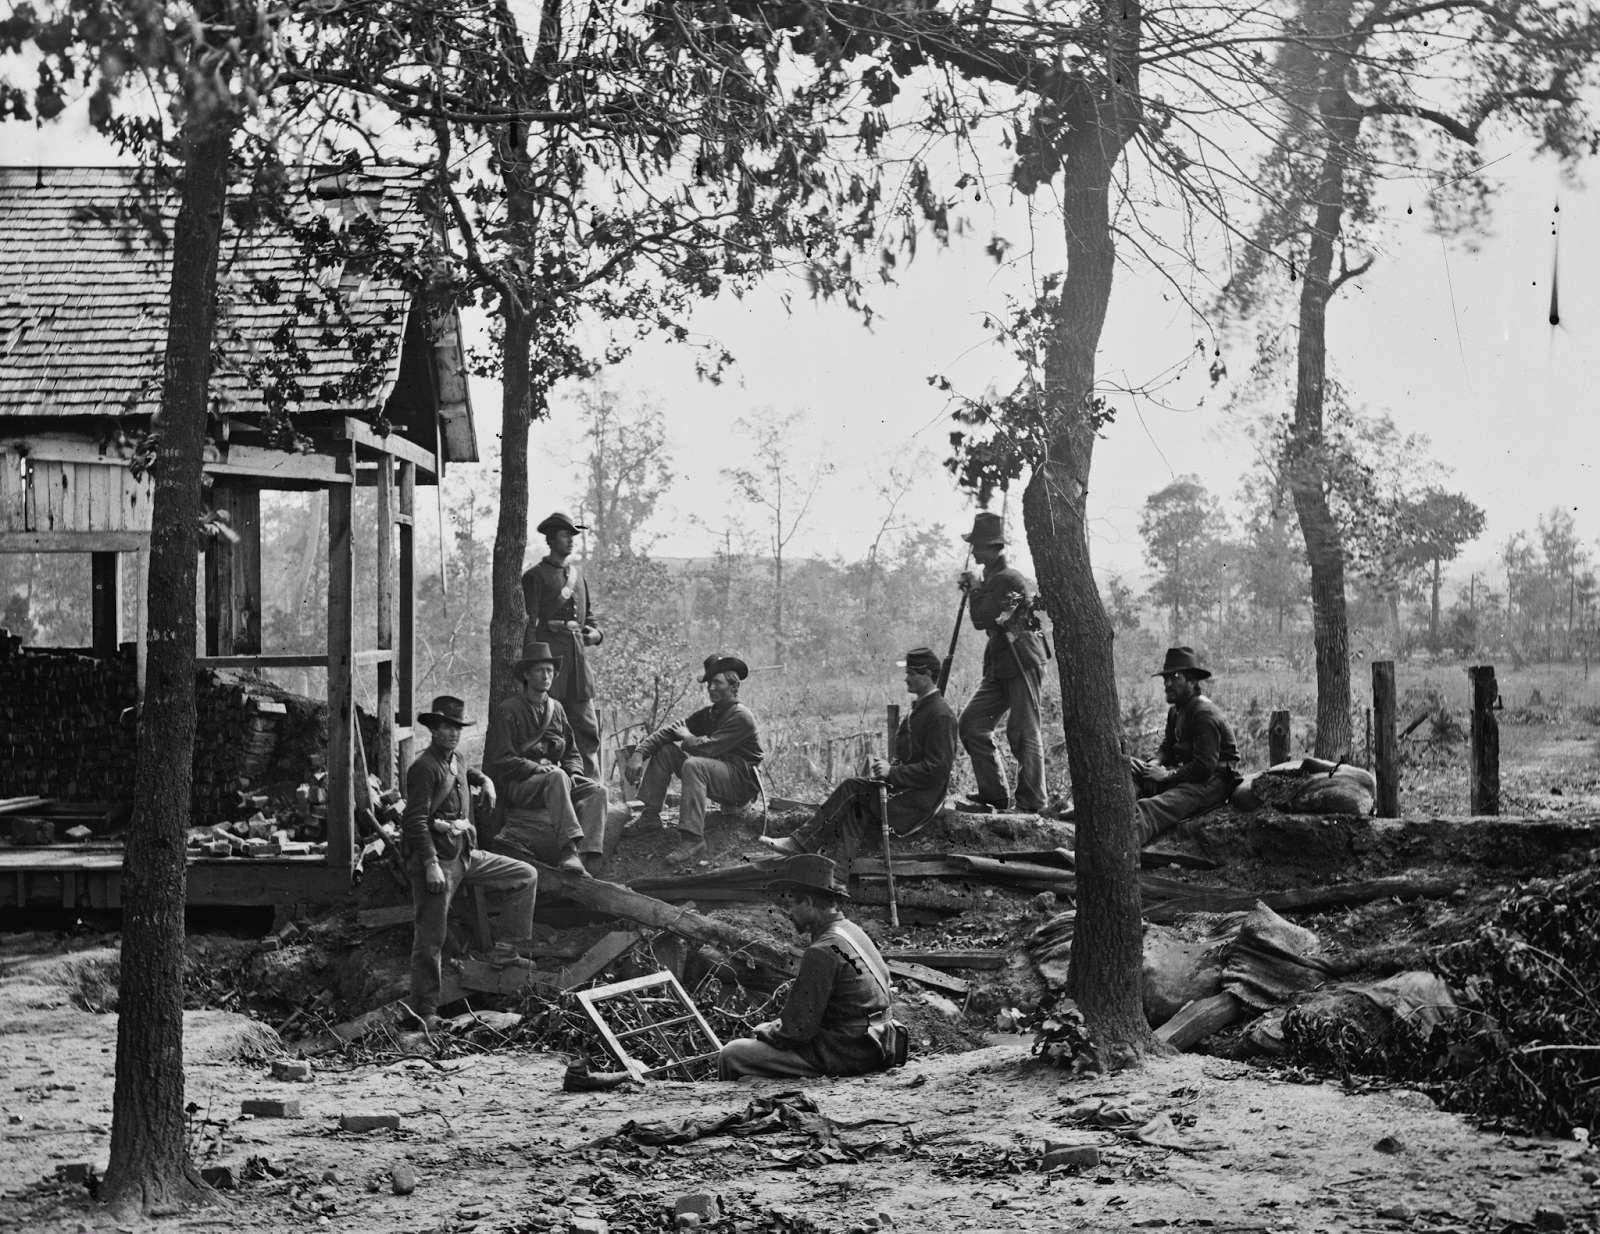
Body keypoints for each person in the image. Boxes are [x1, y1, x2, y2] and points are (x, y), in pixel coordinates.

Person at [401, 696, 537, 1029]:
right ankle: (424, 1012)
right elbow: (414, 821)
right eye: (446, 727)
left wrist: (485, 781)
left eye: (457, 728)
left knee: (525, 875)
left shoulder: (457, 758)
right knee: (430, 940)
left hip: (464, 854)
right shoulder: (424, 768)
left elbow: (466, 771)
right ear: (434, 729)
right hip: (438, 862)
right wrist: (430, 863)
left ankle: (506, 950)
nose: (452, 733)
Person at [760, 646, 957, 862]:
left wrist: (893, 772)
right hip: (907, 790)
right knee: (855, 804)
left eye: (910, 673)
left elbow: (938, 769)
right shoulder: (921, 709)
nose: (906, 678)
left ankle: (802, 845)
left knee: (852, 790)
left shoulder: (940, 715)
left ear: (927, 675)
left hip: (919, 800)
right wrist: (890, 769)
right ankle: (836, 873)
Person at [718, 854, 900, 1080]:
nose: (789, 914)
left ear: (808, 901)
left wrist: (765, 1030)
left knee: (732, 1054)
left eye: (791, 905)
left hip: (848, 1052)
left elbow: (797, 1029)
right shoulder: (852, 931)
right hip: (879, 1041)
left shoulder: (821, 950)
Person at [483, 639, 610, 876]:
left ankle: (587, 858)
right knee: (557, 776)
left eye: (550, 671)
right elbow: (500, 759)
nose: (546, 676)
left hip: (555, 781)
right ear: (527, 675)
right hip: (522, 785)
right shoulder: (509, 710)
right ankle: (568, 852)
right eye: (540, 670)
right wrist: (534, 768)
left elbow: (571, 752)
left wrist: (574, 773)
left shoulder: (557, 709)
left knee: (598, 791)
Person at [626, 653, 765, 866]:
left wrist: (687, 737)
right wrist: (639, 753)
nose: (711, 688)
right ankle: (650, 815)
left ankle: (693, 839)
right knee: (666, 750)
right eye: (708, 683)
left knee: (694, 765)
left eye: (717, 683)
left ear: (734, 686)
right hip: (719, 775)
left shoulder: (741, 717)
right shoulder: (710, 714)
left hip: (740, 784)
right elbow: (670, 731)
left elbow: (708, 749)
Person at [955, 511, 1048, 814]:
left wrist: (975, 589)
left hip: (1021, 660)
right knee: (972, 723)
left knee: (1023, 732)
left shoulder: (1006, 579)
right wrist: (977, 587)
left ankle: (1032, 802)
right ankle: (993, 794)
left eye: (978, 545)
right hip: (1001, 663)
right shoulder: (993, 579)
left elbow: (982, 618)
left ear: (994, 547)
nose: (973, 551)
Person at [1129, 647, 1241, 844]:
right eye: (1165, 679)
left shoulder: (1204, 714)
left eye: (1174, 677)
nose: (1167, 684)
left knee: (1149, 809)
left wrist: (1166, 776)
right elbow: (1168, 746)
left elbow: (1204, 767)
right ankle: (1112, 813)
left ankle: (1118, 852)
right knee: (1124, 765)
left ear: (1192, 681)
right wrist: (1155, 763)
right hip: (1187, 775)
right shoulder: (1177, 711)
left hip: (1211, 784)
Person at [522, 511, 603, 778]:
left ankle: (591, 788)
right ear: (550, 540)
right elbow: (530, 625)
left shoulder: (577, 576)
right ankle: (553, 788)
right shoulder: (535, 577)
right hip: (550, 670)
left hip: (578, 670)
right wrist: (532, 668)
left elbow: (589, 617)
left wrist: (596, 634)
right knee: (549, 733)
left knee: (587, 732)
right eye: (564, 536)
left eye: (572, 536)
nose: (570, 541)